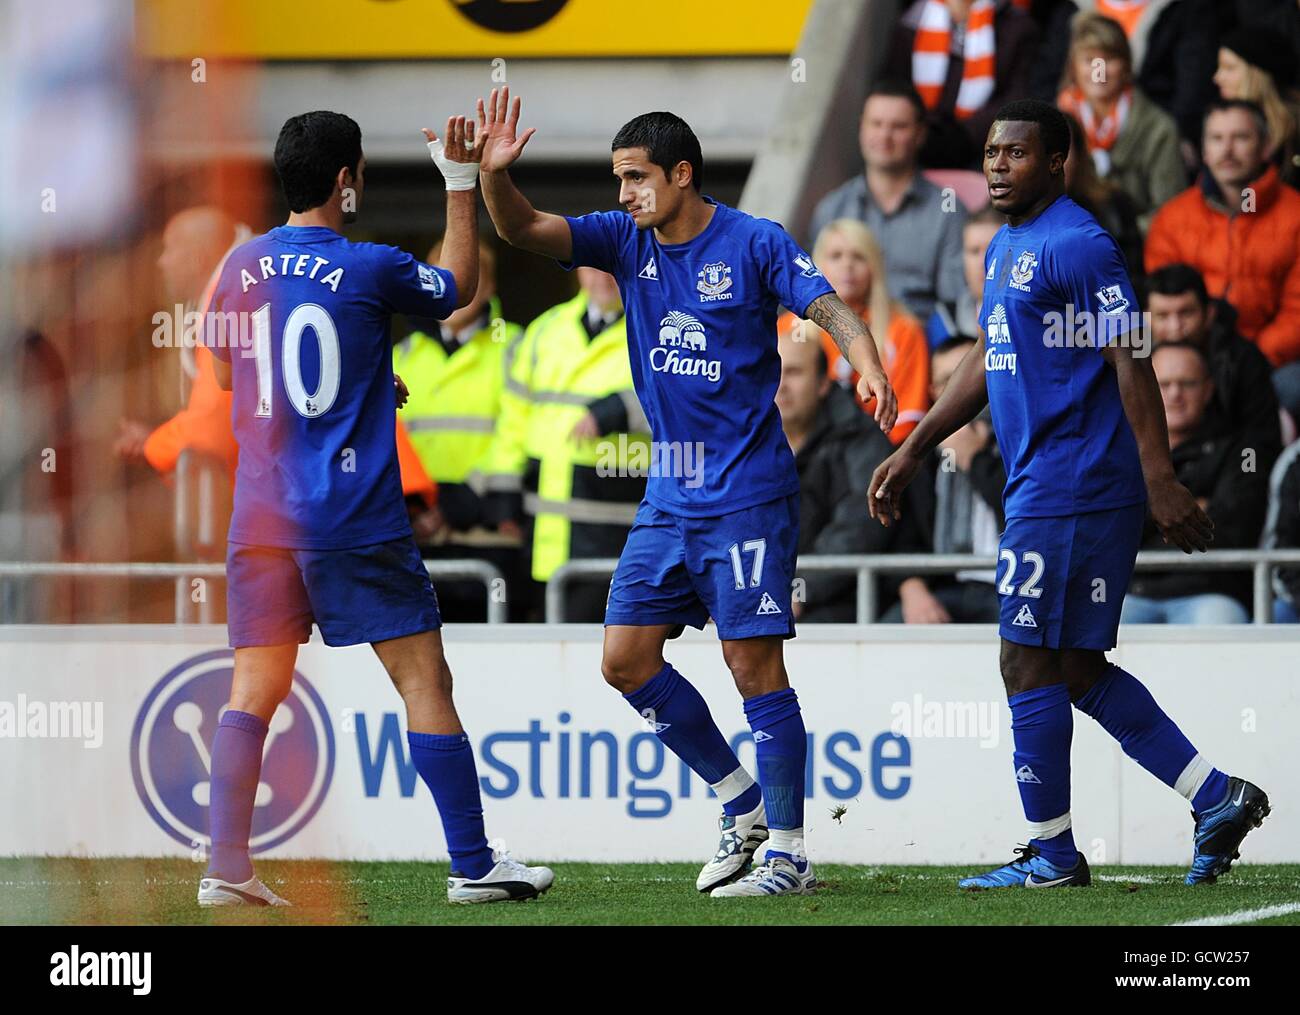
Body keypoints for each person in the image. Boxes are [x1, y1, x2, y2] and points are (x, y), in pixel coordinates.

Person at [477, 87, 896, 897]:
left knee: (752, 666)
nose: (624, 193)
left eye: (636, 178)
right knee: (625, 660)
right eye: (617, 179)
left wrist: (866, 361)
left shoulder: (754, 242)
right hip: (669, 495)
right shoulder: (622, 241)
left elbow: (829, 307)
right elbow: (520, 227)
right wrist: (494, 175)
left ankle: (791, 854)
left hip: (746, 493)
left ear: (681, 173)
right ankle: (741, 803)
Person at [869, 99, 1270, 889]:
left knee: (1024, 660)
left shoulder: (1081, 244)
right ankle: (1218, 796)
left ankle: (1052, 852)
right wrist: (917, 445)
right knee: (1076, 667)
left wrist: (1159, 477)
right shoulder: (1011, 244)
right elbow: (990, 353)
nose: (995, 165)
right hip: (1043, 480)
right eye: (989, 152)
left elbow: (1133, 357)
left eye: (1015, 154)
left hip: (1076, 482)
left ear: (1058, 163)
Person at [200, 109, 553, 907]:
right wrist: (460, 183)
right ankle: (472, 863)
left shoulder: (237, 267)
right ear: (344, 181)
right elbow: (457, 290)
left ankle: (225, 864)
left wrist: (361, 381)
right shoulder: (367, 266)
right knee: (424, 678)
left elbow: (234, 379)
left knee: (252, 688)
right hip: (350, 518)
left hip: (260, 522)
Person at [477, 267, 650, 622]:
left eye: (613, 267)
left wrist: (622, 407)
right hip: (546, 531)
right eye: (594, 267)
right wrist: (503, 493)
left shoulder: (658, 326)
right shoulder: (545, 330)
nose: (604, 278)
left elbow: (691, 399)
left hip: (621, 523)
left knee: (611, 643)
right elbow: (515, 417)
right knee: (552, 637)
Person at [1146, 100, 1300, 418]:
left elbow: (1297, 312)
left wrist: (1252, 359)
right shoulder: (1173, 217)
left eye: (1240, 138)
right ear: (1203, 150)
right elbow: (1166, 305)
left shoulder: (1295, 215)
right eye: (1216, 139)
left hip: (1271, 360)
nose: (1227, 150)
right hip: (1191, 354)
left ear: (1266, 145)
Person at [776, 328, 930, 623]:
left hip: (846, 601)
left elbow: (859, 528)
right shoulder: (744, 441)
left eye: (794, 373)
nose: (781, 385)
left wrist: (795, 590)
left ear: (823, 383)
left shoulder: (860, 436)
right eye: (774, 373)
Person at [1121, 342, 1268, 624]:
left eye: (1187, 383)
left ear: (1208, 389)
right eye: (1163, 384)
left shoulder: (1240, 452)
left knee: (1222, 631)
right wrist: (1189, 512)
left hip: (1212, 592)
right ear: (1144, 388)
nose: (1175, 394)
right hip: (1130, 590)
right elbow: (1111, 529)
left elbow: (1236, 531)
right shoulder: (1118, 451)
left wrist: (1151, 510)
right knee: (1089, 639)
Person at [808, 82, 967, 322]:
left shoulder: (947, 212)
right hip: (842, 343)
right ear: (861, 128)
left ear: (920, 134)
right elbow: (814, 294)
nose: (884, 136)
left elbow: (955, 303)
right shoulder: (832, 209)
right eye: (876, 124)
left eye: (898, 126)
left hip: (921, 346)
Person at [885, 335, 1005, 624]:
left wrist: (977, 461)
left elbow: (1029, 513)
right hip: (944, 588)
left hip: (1012, 587)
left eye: (970, 377)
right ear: (934, 393)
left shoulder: (1021, 436)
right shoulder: (919, 455)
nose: (961, 392)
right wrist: (911, 587)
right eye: (946, 383)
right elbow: (901, 532)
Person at [785, 219, 930, 445]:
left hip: (876, 453)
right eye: (836, 256)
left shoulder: (904, 330)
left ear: (875, 267)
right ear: (817, 265)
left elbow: (907, 422)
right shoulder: (787, 328)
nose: (847, 265)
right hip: (800, 454)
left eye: (859, 256)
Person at [1144, 263, 1282, 473]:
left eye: (1186, 313)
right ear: (1147, 319)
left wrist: (1239, 488)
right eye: (1163, 316)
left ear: (1208, 314)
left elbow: (1258, 441)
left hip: (1227, 473)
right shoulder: (1132, 360)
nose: (1175, 327)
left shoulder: (1242, 360)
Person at [1055, 13, 1185, 230]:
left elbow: (1170, 211)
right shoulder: (1052, 125)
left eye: (1109, 59)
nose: (1099, 71)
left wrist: (1117, 238)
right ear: (1073, 67)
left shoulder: (1160, 128)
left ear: (1126, 66)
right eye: (1089, 60)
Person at [885, 0, 1040, 169]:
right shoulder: (912, 22)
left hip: (985, 153)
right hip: (915, 146)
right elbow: (895, 87)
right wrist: (922, 130)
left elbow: (1016, 98)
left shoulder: (1016, 26)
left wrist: (966, 135)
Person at [1213, 28, 1300, 189]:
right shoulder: (1219, 122)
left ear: (1256, 76)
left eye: (1229, 68)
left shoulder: (1293, 132)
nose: (1217, 77)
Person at [1061, 112, 1143, 282]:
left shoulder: (1114, 206)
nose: (1052, 162)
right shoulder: (1007, 214)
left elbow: (1132, 282)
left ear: (1079, 157)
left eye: (1062, 152)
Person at [927, 205, 1004, 346]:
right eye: (974, 251)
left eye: (993, 250)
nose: (983, 262)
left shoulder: (1032, 314)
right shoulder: (945, 318)